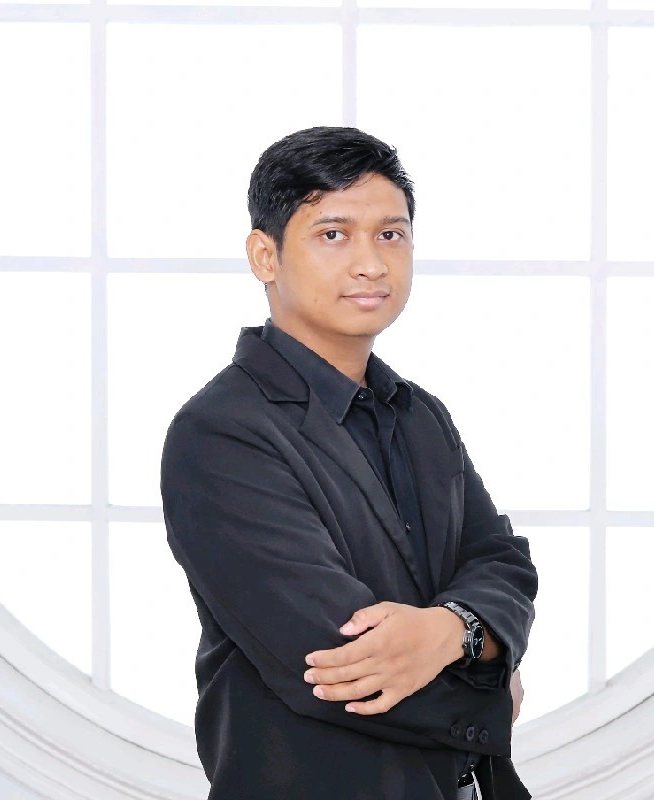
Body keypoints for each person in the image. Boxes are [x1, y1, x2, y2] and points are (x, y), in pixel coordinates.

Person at [160, 126, 538, 800]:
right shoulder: (221, 433)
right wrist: (492, 680)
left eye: (390, 234)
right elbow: (334, 660)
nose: (370, 264)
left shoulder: (420, 414)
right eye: (333, 234)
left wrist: (452, 629)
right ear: (265, 256)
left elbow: (503, 563)